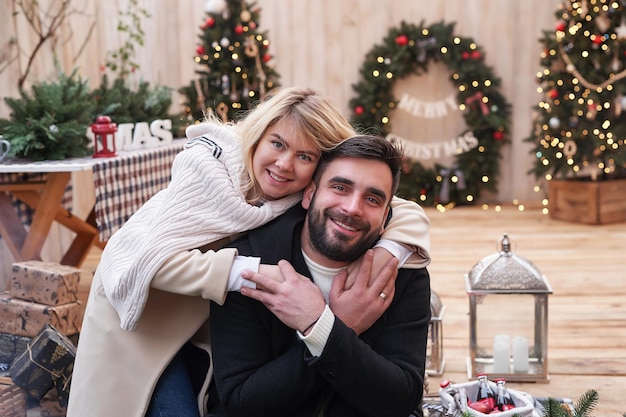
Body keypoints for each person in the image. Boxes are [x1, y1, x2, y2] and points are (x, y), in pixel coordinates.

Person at [67, 88, 431, 417]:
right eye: (277, 144)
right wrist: (254, 275)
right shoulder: (209, 172)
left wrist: (392, 248)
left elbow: (396, 204)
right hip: (143, 316)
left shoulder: (305, 195)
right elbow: (146, 259)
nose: (285, 164)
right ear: (257, 137)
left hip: (200, 324)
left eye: (304, 155)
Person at [206, 134, 431, 417]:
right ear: (310, 194)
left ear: (386, 216)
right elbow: (242, 403)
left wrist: (321, 328)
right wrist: (337, 327)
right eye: (340, 187)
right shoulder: (247, 264)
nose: (352, 208)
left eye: (372, 199)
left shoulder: (402, 274)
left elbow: (401, 399)